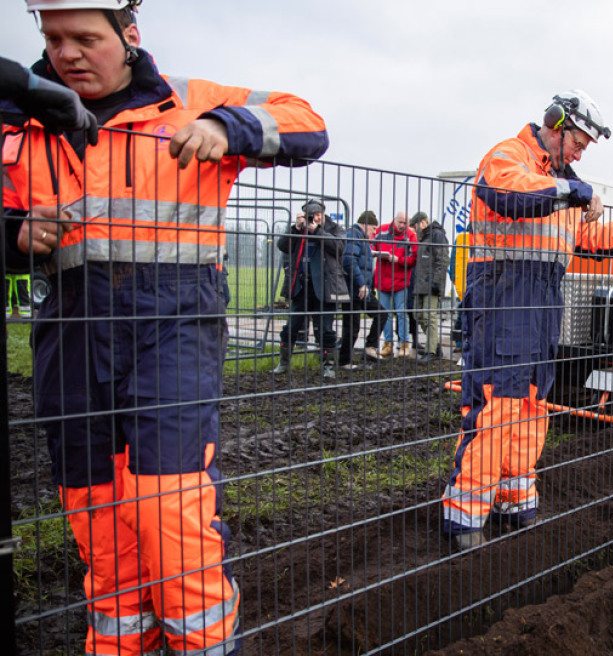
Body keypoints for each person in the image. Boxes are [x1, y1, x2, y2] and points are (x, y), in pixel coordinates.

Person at [0, 2, 328, 655]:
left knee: (167, 500)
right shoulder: (18, 120)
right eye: (54, 38)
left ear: (129, 35)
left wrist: (226, 127)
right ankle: (121, 639)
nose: (67, 53)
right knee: (92, 505)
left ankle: (203, 643)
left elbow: (307, 123)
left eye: (85, 38)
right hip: (70, 319)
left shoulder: (188, 101)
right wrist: (16, 236)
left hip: (174, 317)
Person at [442, 89, 613, 550]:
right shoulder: (509, 156)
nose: (580, 152)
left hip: (541, 301)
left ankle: (516, 500)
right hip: (502, 295)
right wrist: (575, 190)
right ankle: (467, 516)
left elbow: (585, 237)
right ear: (556, 126)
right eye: (578, 142)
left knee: (533, 402)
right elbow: (508, 192)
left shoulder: (560, 183)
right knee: (496, 401)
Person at [273, 201, 349, 378]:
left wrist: (317, 231)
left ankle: (328, 366)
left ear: (323, 214)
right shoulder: (300, 230)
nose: (314, 218)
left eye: (317, 214)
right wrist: (296, 229)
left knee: (325, 329)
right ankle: (283, 363)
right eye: (310, 215)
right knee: (291, 326)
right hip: (302, 286)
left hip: (325, 286)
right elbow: (282, 246)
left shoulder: (334, 228)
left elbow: (339, 247)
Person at [339, 210, 385, 368]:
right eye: (373, 229)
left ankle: (370, 348)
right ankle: (344, 361)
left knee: (381, 313)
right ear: (365, 225)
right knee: (351, 327)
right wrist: (361, 284)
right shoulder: (353, 236)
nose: (374, 233)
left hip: (363, 291)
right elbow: (349, 261)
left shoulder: (361, 238)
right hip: (353, 290)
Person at [372, 211, 417, 357]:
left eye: (406, 223)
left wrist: (399, 260)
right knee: (385, 314)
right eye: (400, 222)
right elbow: (370, 247)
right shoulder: (381, 231)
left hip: (400, 280)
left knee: (401, 313)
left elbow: (413, 258)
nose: (403, 226)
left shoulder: (410, 236)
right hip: (383, 280)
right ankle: (388, 343)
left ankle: (404, 344)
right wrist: (377, 254)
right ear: (394, 220)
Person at [410, 210, 450, 362]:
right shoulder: (424, 237)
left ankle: (431, 351)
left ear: (422, 223)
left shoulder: (436, 235)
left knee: (429, 316)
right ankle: (434, 346)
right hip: (421, 284)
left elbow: (442, 259)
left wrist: (436, 282)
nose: (415, 231)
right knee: (418, 315)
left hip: (430, 283)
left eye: (415, 227)